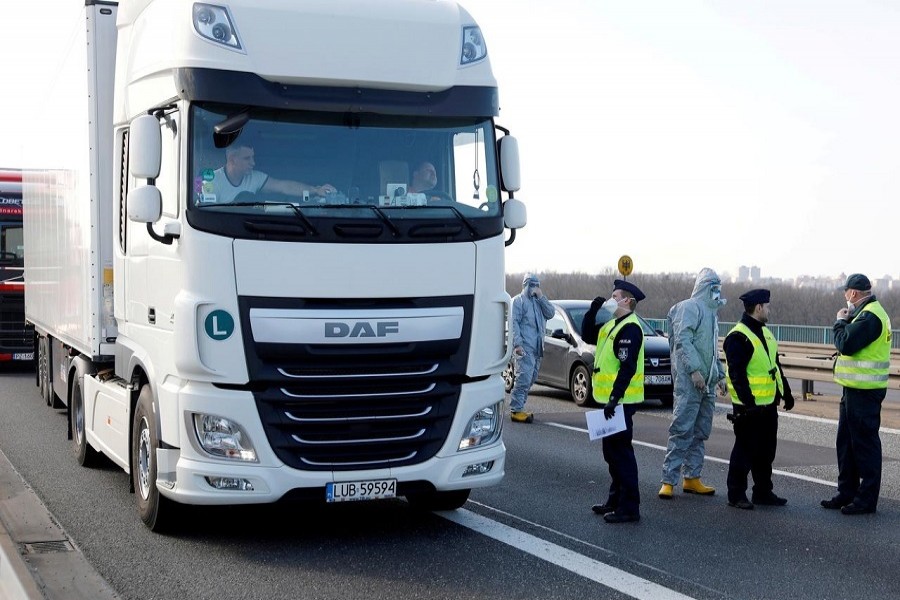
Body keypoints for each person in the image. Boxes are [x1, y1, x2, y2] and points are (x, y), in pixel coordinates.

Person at [822, 273, 892, 515]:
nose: (845, 297)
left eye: (846, 292)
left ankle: (866, 499)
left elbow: (846, 344)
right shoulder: (865, 314)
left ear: (853, 293)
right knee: (847, 444)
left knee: (864, 445)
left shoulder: (871, 316)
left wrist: (840, 321)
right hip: (854, 390)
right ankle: (847, 492)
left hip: (865, 392)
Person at [723, 289, 795, 510]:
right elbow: (737, 375)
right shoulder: (738, 336)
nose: (769, 310)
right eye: (767, 306)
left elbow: (774, 367)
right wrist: (748, 404)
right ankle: (736, 494)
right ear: (759, 308)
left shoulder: (766, 334)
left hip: (768, 405)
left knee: (766, 452)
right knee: (744, 451)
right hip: (749, 407)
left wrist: (786, 392)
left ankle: (763, 492)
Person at [658, 268, 727, 499]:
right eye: (714, 288)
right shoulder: (689, 308)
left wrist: (720, 375)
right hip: (690, 383)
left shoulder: (712, 314)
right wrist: (695, 371)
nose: (717, 292)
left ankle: (692, 477)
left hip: (706, 383)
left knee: (700, 432)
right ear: (705, 287)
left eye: (718, 288)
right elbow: (683, 341)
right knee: (682, 429)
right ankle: (668, 480)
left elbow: (712, 350)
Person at [587, 279, 646, 524]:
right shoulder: (612, 325)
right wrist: (592, 312)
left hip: (621, 402)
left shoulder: (630, 328)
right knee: (611, 453)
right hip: (609, 401)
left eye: (615, 296)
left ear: (627, 301)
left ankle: (629, 507)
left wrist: (614, 398)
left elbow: (627, 367)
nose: (611, 300)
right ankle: (615, 499)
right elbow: (588, 334)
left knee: (621, 454)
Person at [209, 144, 336, 203]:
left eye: (253, 157)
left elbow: (284, 186)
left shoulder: (254, 177)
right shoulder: (212, 182)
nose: (253, 163)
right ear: (232, 159)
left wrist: (315, 190)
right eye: (247, 158)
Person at [509, 274, 555, 423]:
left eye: (537, 285)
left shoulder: (538, 302)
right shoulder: (518, 301)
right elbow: (514, 323)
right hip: (525, 347)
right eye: (532, 284)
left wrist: (541, 297)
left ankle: (520, 406)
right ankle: (516, 410)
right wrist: (517, 344)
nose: (534, 287)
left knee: (532, 378)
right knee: (524, 378)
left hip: (537, 348)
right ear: (525, 285)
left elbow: (551, 313)